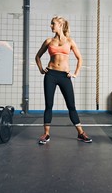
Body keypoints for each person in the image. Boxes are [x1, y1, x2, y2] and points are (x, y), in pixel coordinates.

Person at [35, 16, 92, 145]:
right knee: (49, 105)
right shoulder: (49, 41)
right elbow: (38, 56)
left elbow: (80, 58)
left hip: (64, 76)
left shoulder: (70, 41)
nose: (50, 26)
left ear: (60, 25)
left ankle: (81, 133)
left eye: (52, 24)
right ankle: (46, 134)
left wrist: (76, 74)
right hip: (51, 75)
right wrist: (41, 69)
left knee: (71, 106)